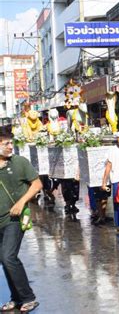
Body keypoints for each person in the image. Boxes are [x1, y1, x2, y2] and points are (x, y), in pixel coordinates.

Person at [0, 133, 41, 312]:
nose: (10, 146)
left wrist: (21, 201)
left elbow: (37, 184)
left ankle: (28, 297)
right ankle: (16, 298)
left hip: (14, 219)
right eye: (6, 143)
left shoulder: (19, 162)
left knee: (8, 256)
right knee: (4, 259)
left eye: (11, 143)